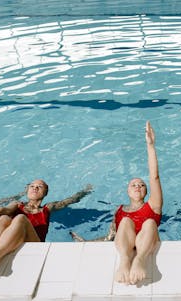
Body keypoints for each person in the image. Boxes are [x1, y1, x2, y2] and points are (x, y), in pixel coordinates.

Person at [70, 121, 163, 286]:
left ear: (146, 192)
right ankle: (125, 260)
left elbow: (154, 176)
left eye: (142, 185)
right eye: (133, 184)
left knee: (149, 222)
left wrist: (150, 146)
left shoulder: (153, 205)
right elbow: (111, 236)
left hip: (147, 243)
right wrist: (87, 243)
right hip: (126, 244)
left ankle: (139, 260)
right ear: (127, 191)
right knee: (126, 221)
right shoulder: (119, 211)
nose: (138, 186)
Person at [0, 179, 92, 274]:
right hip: (13, 239)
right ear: (27, 190)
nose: (34, 188)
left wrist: (84, 191)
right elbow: (4, 210)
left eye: (39, 186)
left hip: (35, 243)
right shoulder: (17, 205)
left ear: (45, 193)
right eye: (32, 186)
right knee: (4, 218)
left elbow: (68, 201)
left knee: (20, 218)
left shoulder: (46, 208)